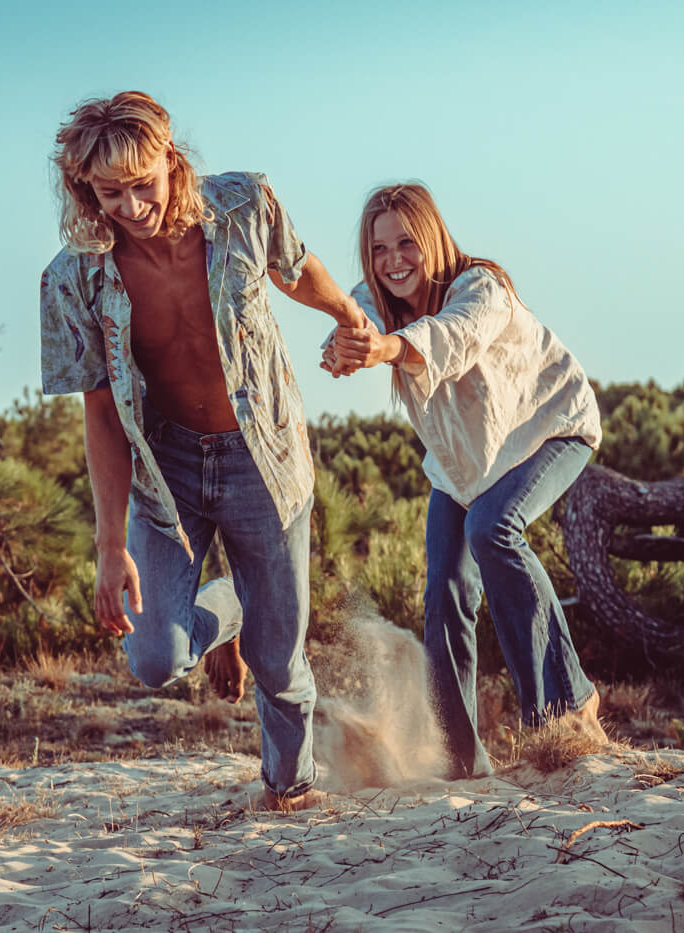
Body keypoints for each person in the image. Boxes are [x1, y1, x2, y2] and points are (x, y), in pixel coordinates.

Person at [39, 91, 365, 810]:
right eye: (110, 192)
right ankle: (228, 610)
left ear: (172, 161)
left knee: (280, 664)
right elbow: (100, 411)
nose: (130, 205)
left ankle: (289, 786)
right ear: (84, 189)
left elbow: (295, 266)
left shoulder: (244, 204)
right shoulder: (73, 277)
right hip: (169, 467)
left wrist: (349, 315)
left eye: (142, 183)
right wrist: (107, 540)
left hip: (264, 455)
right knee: (155, 658)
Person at [324, 183, 609, 779]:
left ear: (433, 239)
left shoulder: (482, 290)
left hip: (549, 428)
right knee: (444, 593)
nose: (394, 260)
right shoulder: (376, 298)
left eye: (407, 243)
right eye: (380, 250)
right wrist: (345, 344)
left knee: (494, 530)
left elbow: (450, 340)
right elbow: (357, 319)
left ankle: (568, 705)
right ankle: (461, 760)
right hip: (463, 467)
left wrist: (384, 349)